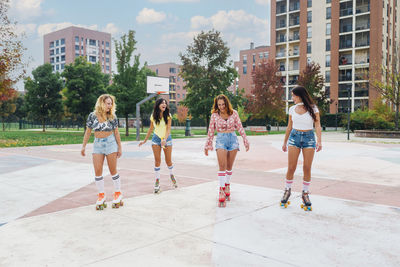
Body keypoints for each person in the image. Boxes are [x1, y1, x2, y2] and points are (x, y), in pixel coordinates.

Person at [281, 86, 322, 211]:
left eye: (293, 95)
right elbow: (289, 127)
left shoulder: (313, 108)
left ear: (299, 95)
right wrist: (284, 142)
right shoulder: (292, 109)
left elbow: (317, 125)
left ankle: (305, 193)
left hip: (309, 138)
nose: (292, 98)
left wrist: (319, 141)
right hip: (294, 137)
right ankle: (287, 190)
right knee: (291, 167)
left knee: (307, 167)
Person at [204, 94, 250, 207]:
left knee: (229, 166)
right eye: (219, 105)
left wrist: (245, 140)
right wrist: (207, 145)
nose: (221, 107)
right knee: (222, 166)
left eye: (223, 104)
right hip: (221, 140)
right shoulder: (214, 115)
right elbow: (210, 130)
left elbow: (239, 126)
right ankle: (221, 190)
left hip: (233, 139)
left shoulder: (234, 113)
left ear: (226, 103)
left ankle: (227, 184)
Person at [81, 94, 123, 210]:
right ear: (101, 103)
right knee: (97, 171)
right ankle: (101, 195)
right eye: (108, 103)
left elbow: (117, 133)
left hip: (110, 143)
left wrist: (119, 147)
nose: (110, 106)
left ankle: (118, 193)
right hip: (97, 144)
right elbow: (88, 132)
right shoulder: (92, 116)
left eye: (111, 104)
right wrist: (83, 146)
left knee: (113, 170)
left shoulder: (112, 116)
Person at [139, 98, 177, 193]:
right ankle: (157, 181)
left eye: (165, 103)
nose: (164, 104)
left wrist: (164, 139)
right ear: (158, 105)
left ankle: (172, 176)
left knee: (168, 161)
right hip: (156, 139)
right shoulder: (153, 116)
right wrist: (144, 140)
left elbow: (168, 129)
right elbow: (151, 129)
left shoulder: (168, 115)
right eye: (162, 103)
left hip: (167, 139)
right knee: (157, 161)